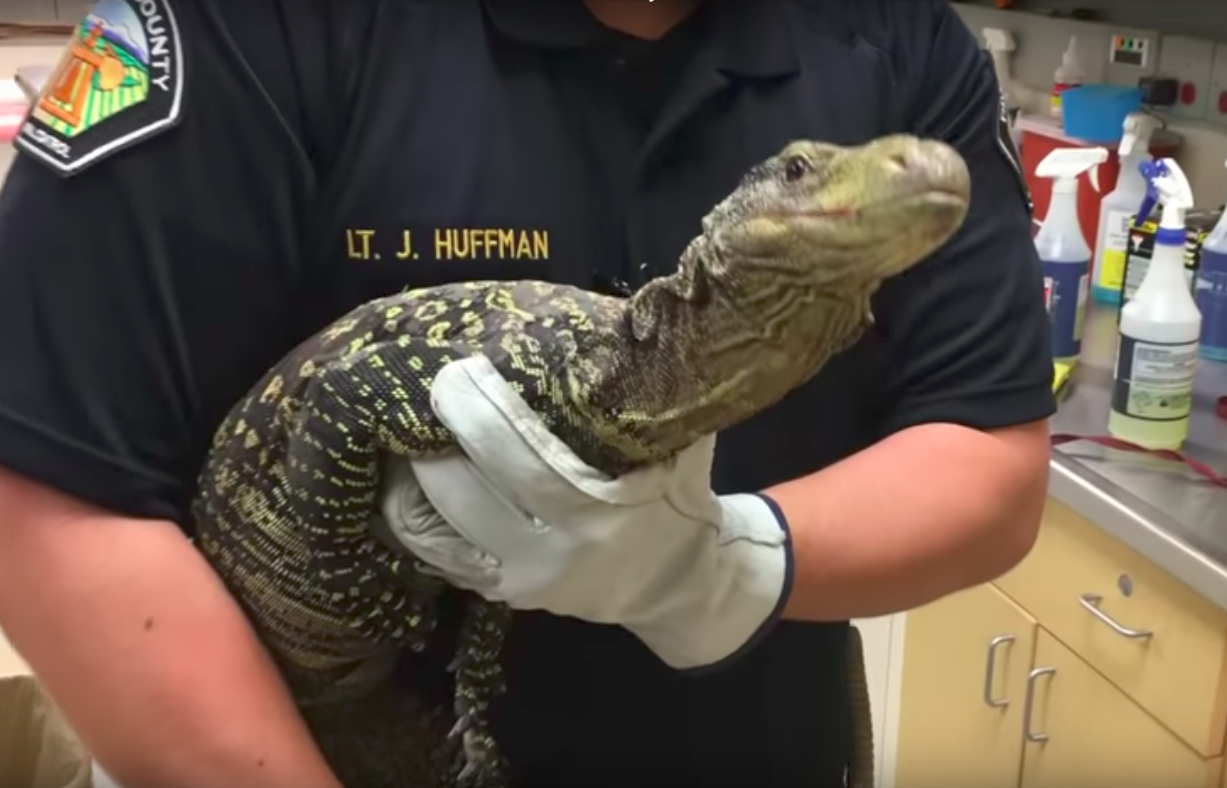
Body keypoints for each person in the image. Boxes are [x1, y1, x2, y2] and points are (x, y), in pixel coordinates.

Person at [0, 0, 1054, 786]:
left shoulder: (902, 40)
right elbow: (43, 492)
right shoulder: (240, 22)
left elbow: (988, 453)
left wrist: (724, 564)